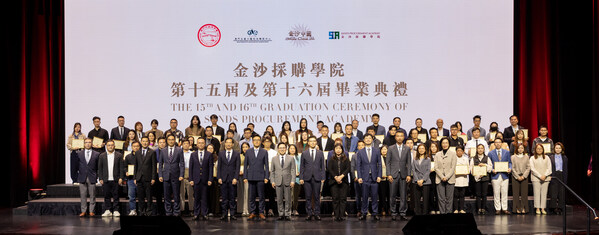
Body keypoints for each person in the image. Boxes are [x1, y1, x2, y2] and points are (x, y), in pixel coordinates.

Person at [356, 134, 382, 221]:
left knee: (375, 197)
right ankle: (364, 213)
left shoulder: (377, 151)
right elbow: (358, 166)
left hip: (374, 177)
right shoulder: (360, 152)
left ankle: (375, 213)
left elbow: (380, 164)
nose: (367, 139)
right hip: (364, 177)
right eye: (366, 138)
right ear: (363, 140)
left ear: (372, 139)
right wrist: (359, 177)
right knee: (364, 196)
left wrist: (379, 175)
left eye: (369, 138)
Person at [300, 136, 326, 221]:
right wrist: (301, 177)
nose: (312, 143)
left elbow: (323, 166)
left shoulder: (320, 153)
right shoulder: (304, 153)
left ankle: (317, 213)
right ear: (308, 142)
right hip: (307, 178)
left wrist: (323, 177)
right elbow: (302, 167)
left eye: (314, 141)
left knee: (317, 197)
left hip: (317, 177)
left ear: (316, 143)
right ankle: (309, 213)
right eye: (310, 141)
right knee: (307, 197)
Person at [387, 131, 411, 221]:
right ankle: (393, 212)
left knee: (403, 195)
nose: (400, 137)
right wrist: (388, 174)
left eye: (401, 136)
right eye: (398, 136)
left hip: (404, 175)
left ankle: (402, 213)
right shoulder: (391, 148)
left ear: (404, 137)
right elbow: (388, 162)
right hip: (393, 175)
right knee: (392, 195)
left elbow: (409, 162)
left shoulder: (407, 148)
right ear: (395, 137)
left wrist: (409, 174)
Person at [244, 135, 269, 221]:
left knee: (262, 196)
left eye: (258, 140)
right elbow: (245, 165)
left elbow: (266, 166)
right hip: (251, 177)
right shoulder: (248, 151)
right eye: (255, 140)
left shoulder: (264, 151)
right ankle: (252, 212)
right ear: (252, 142)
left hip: (261, 176)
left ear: (260, 142)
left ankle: (261, 212)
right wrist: (245, 177)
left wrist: (266, 177)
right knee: (251, 196)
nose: (257, 142)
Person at [189, 137, 213, 220]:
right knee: (196, 197)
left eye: (202, 143)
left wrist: (210, 179)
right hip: (196, 179)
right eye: (199, 143)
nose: (201, 144)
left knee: (204, 198)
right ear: (196, 144)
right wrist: (191, 179)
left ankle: (204, 213)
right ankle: (196, 213)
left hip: (205, 179)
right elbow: (191, 168)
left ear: (205, 144)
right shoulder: (193, 154)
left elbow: (210, 168)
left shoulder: (209, 154)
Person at [159, 135, 183, 216]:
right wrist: (160, 175)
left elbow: (182, 163)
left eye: (172, 139)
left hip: (176, 175)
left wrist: (181, 174)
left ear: (174, 140)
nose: (171, 141)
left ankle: (176, 212)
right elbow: (160, 164)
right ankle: (168, 212)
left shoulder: (179, 150)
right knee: (166, 196)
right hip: (165, 175)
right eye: (169, 140)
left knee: (176, 195)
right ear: (167, 141)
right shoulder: (163, 150)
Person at [270, 143, 296, 220]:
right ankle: (281, 214)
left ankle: (287, 214)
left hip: (288, 181)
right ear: (278, 149)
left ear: (286, 149)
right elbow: (272, 171)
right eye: (280, 148)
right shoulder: (274, 158)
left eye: (283, 148)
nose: (282, 149)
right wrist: (272, 181)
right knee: (279, 199)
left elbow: (293, 170)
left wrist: (293, 181)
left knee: (288, 199)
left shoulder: (291, 158)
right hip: (278, 181)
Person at [75, 138, 100, 217]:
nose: (88, 144)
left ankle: (91, 211)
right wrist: (76, 176)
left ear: (92, 144)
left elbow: (98, 166)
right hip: (82, 176)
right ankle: (83, 211)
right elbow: (76, 166)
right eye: (86, 142)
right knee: (83, 195)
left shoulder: (96, 154)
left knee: (92, 195)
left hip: (92, 176)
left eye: (89, 142)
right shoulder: (79, 153)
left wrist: (97, 176)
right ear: (84, 144)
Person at [98, 140, 123, 217]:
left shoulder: (119, 155)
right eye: (109, 145)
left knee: (116, 195)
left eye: (112, 145)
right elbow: (100, 168)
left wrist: (121, 177)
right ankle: (108, 210)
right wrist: (100, 178)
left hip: (116, 179)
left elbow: (121, 168)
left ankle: (116, 210)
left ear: (114, 146)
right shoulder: (102, 155)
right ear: (106, 146)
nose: (110, 146)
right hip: (106, 179)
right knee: (106, 195)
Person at [218, 138, 241, 220]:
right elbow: (219, 166)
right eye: (226, 142)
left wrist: (236, 178)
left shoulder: (236, 154)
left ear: (232, 144)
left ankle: (232, 214)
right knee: (224, 198)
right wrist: (219, 177)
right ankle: (224, 214)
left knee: (232, 198)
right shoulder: (221, 153)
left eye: (229, 143)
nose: (228, 144)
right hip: (223, 178)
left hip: (232, 179)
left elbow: (237, 167)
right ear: (224, 144)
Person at [489, 138, 512, 215]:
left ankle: (505, 208)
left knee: (505, 192)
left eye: (499, 142)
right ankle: (498, 209)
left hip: (505, 175)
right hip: (495, 175)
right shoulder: (491, 153)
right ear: (494, 144)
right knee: (496, 193)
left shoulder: (506, 152)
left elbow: (510, 162)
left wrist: (510, 168)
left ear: (502, 143)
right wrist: (492, 170)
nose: (498, 144)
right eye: (496, 142)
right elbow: (489, 164)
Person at [434, 138, 457, 214]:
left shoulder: (453, 154)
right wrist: (442, 177)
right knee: (441, 198)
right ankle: (442, 213)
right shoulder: (437, 154)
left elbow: (453, 167)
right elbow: (436, 167)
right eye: (443, 143)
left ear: (449, 144)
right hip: (439, 179)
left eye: (446, 143)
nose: (445, 144)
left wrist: (446, 177)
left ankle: (448, 214)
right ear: (441, 144)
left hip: (450, 179)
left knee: (449, 199)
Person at [328, 144, 350, 221]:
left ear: (342, 150)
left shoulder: (346, 159)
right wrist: (336, 177)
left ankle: (342, 215)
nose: (338, 150)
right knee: (335, 199)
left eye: (340, 148)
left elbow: (348, 168)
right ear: (334, 150)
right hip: (334, 182)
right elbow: (329, 169)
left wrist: (341, 176)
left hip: (344, 181)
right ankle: (337, 215)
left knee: (343, 199)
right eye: (336, 148)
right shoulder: (331, 159)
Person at [135, 137, 157, 216]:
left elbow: (154, 166)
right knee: (140, 196)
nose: (145, 143)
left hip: (148, 177)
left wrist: (153, 178)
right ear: (141, 142)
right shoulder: (137, 152)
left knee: (149, 196)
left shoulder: (152, 152)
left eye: (146, 141)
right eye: (143, 141)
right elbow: (136, 166)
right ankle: (141, 211)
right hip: (139, 177)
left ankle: (149, 211)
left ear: (148, 142)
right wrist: (135, 177)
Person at [470, 144, 492, 215]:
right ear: (476, 149)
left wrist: (484, 165)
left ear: (484, 149)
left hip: (485, 178)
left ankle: (483, 208)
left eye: (481, 148)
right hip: (477, 178)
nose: (480, 149)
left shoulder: (487, 158)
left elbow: (490, 168)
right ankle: (479, 208)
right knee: (478, 194)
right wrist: (477, 175)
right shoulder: (473, 158)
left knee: (484, 194)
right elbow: (471, 169)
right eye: (479, 148)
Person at [530, 144, 552, 215]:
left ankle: (543, 208)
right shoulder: (532, 158)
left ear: (543, 150)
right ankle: (537, 208)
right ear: (535, 150)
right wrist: (540, 176)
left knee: (544, 194)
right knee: (537, 193)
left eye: (540, 149)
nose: (539, 150)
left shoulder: (547, 157)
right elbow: (532, 169)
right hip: (536, 178)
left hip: (546, 178)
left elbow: (549, 168)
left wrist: (545, 175)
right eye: (538, 149)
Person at [411, 144, 431, 215]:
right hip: (416, 182)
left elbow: (428, 170)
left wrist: (422, 180)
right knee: (417, 200)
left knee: (425, 200)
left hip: (426, 182)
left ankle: (425, 213)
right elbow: (413, 170)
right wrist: (417, 180)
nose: (421, 150)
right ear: (418, 150)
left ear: (425, 150)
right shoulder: (414, 159)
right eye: (420, 148)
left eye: (423, 148)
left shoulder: (428, 159)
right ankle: (417, 214)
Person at [511, 143, 530, 214]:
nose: (520, 149)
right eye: (519, 148)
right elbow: (512, 168)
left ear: (524, 149)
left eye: (522, 148)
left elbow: (528, 167)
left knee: (524, 193)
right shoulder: (513, 157)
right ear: (516, 149)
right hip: (515, 177)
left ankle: (523, 207)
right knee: (516, 194)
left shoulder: (526, 156)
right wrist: (517, 176)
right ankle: (517, 208)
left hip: (524, 177)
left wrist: (524, 176)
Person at [549, 142, 568, 215]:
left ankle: (560, 207)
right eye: (556, 148)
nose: (558, 149)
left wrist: (565, 179)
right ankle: (553, 208)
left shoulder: (564, 157)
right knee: (553, 192)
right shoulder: (551, 157)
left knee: (561, 192)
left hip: (561, 174)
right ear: (554, 149)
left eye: (559, 148)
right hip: (554, 175)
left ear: (562, 149)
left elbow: (566, 169)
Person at [123, 141, 139, 216]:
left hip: (140, 179)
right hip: (131, 178)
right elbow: (125, 167)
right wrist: (126, 171)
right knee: (131, 196)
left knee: (142, 196)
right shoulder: (128, 156)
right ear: (132, 147)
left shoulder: (142, 155)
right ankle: (133, 210)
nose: (136, 147)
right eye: (134, 146)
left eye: (137, 146)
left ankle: (142, 210)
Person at [152, 137, 166, 216]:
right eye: (160, 142)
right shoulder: (154, 152)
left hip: (166, 174)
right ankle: (159, 211)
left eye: (163, 142)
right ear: (158, 143)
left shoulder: (168, 151)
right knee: (158, 195)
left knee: (166, 194)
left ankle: (166, 210)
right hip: (157, 175)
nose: (162, 144)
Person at [180, 139, 194, 217]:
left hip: (189, 173)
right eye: (184, 143)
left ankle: (191, 209)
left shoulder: (192, 154)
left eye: (187, 143)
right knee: (181, 194)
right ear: (182, 145)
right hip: (181, 175)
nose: (185, 145)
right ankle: (182, 210)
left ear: (189, 145)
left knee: (190, 194)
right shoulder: (179, 153)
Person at [453, 146, 469, 213]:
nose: (459, 152)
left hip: (463, 179)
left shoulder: (466, 159)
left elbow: (468, 168)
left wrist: (467, 172)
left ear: (463, 152)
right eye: (458, 150)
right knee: (455, 195)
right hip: (455, 179)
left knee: (462, 195)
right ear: (456, 151)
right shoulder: (453, 158)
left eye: (461, 151)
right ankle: (456, 209)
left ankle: (462, 209)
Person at [207, 144, 220, 216]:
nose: (210, 150)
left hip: (215, 178)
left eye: (211, 148)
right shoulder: (205, 157)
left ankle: (214, 210)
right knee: (207, 195)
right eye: (208, 148)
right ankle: (207, 210)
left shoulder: (217, 157)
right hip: (207, 178)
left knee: (215, 195)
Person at [288, 144, 302, 216]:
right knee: (289, 196)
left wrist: (299, 172)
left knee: (296, 196)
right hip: (288, 179)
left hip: (297, 179)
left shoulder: (299, 157)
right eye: (291, 148)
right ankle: (289, 209)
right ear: (288, 149)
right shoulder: (286, 157)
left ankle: (295, 209)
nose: (292, 150)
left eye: (294, 148)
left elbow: (302, 167)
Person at [238, 142, 251, 216]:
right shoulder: (239, 156)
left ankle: (248, 209)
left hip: (249, 175)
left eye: (246, 147)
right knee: (242, 193)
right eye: (243, 147)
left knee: (248, 193)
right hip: (240, 176)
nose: (245, 148)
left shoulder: (251, 155)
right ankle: (242, 209)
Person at [378, 145, 390, 216]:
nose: (384, 151)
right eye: (382, 149)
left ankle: (389, 208)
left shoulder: (390, 158)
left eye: (385, 149)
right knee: (382, 195)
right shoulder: (379, 158)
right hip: (381, 179)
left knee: (389, 195)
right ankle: (382, 208)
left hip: (389, 179)